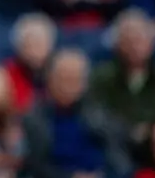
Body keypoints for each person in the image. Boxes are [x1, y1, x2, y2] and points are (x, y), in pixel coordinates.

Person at [89, 9, 155, 160]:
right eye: (128, 41)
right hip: (115, 152)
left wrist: (151, 130)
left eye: (139, 40)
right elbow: (96, 118)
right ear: (118, 46)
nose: (134, 47)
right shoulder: (101, 78)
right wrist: (129, 131)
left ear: (151, 44)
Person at [24, 49, 131, 178]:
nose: (67, 87)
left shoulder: (99, 115)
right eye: (63, 79)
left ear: (84, 84)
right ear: (50, 81)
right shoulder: (35, 119)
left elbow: (118, 160)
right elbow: (35, 164)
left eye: (75, 80)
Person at [3, 13, 56, 113]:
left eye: (41, 44)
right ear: (19, 46)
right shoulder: (6, 76)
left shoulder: (57, 72)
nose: (36, 52)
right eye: (31, 44)